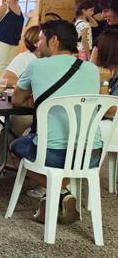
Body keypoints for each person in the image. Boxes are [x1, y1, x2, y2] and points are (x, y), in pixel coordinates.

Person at [10, 20, 100, 221]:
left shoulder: (37, 65)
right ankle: (56, 197)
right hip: (91, 153)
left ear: (54, 41)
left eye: (40, 39)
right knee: (59, 152)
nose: (37, 44)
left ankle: (60, 192)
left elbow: (16, 99)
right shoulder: (91, 69)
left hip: (53, 154)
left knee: (16, 147)